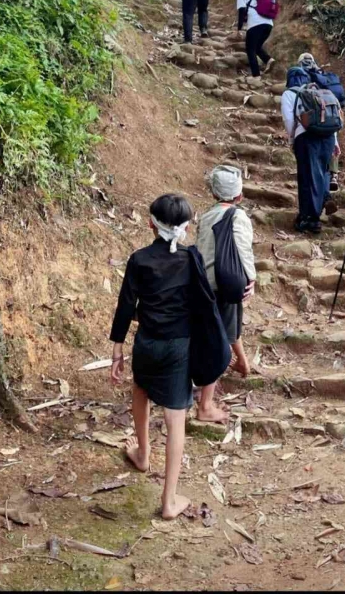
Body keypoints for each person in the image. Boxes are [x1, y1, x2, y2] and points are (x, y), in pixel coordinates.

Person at [109, 193, 196, 520]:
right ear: (187, 227)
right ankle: (169, 501)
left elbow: (125, 305)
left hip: (146, 342)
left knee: (140, 390)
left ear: (150, 223)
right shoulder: (192, 259)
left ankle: (143, 454)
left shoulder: (139, 259)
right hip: (179, 347)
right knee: (176, 420)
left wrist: (117, 348)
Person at [197, 165, 256, 418]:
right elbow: (242, 247)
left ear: (213, 194)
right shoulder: (238, 216)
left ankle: (242, 362)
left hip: (204, 282)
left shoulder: (206, 216)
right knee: (218, 338)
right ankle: (205, 405)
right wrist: (251, 277)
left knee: (226, 324)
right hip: (227, 281)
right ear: (239, 196)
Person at [282, 66, 341, 233]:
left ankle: (310, 219)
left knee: (307, 176)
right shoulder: (319, 91)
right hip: (328, 136)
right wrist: (336, 143)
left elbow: (289, 119)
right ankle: (322, 201)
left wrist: (293, 139)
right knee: (322, 172)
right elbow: (332, 115)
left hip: (307, 137)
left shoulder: (290, 93)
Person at [297, 53, 345, 193]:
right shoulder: (323, 75)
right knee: (332, 139)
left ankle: (319, 183)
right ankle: (333, 175)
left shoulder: (303, 75)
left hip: (316, 118)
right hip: (333, 113)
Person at [233, 0, 276, 78]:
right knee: (256, 47)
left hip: (256, 25)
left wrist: (239, 29)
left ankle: (256, 76)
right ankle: (268, 60)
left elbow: (242, 12)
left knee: (250, 49)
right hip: (269, 24)